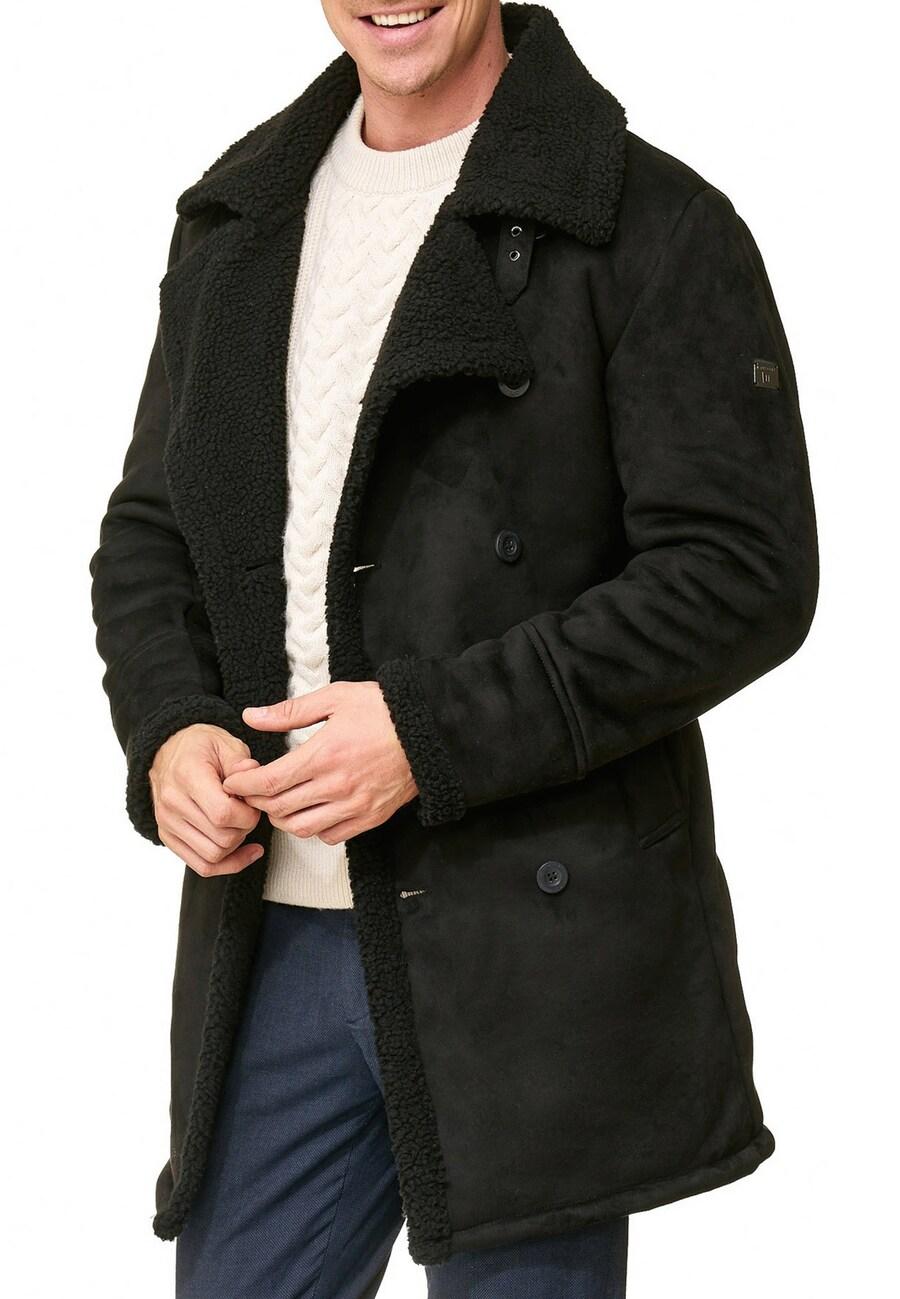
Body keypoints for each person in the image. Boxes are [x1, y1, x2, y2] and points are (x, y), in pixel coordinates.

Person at [88, 2, 819, 1295]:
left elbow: (740, 574)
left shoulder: (650, 223)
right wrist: (170, 725)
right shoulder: (239, 218)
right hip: (272, 932)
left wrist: (432, 735)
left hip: (524, 940)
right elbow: (154, 528)